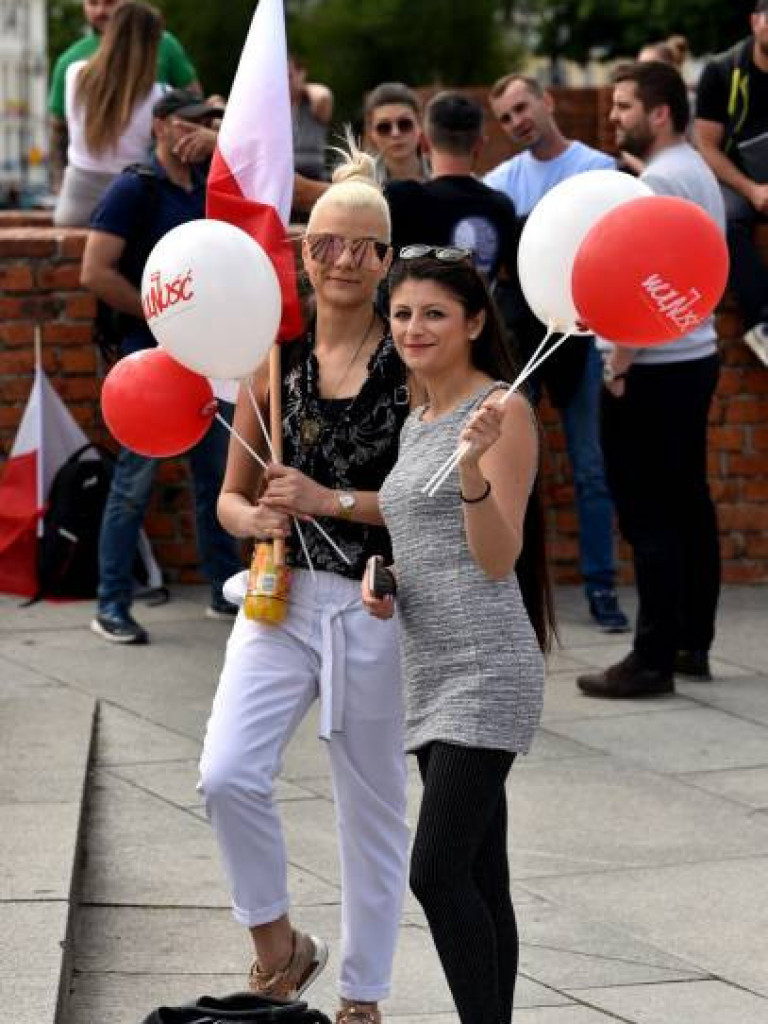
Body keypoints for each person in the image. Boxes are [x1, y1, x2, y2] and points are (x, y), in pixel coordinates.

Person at [197, 145, 411, 1024]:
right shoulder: (271, 354)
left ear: (387, 259)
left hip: (375, 600)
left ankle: (362, 996)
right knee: (225, 773)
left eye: (364, 247)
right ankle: (279, 945)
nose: (345, 261)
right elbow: (229, 498)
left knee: (370, 808)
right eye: (328, 244)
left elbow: (430, 504)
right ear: (302, 251)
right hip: (278, 595)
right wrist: (254, 521)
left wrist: (333, 501)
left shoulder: (413, 354)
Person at [363, 250, 553, 1024]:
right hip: (431, 664)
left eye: (435, 313)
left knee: (436, 873)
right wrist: (389, 574)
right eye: (403, 313)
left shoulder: (499, 411)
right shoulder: (417, 416)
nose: (414, 328)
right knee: (481, 875)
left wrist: (473, 469)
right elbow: (425, 541)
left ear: (474, 322)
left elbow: (497, 556)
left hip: (487, 668)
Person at [577, 61, 724, 699]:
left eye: (625, 106)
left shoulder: (659, 181)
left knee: (649, 515)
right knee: (689, 504)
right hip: (694, 358)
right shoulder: (695, 171)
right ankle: (691, 642)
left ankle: (651, 657)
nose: (615, 117)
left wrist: (620, 360)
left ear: (659, 112)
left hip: (655, 368)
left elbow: (646, 278)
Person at [81, 89, 239, 645]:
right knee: (132, 483)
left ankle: (223, 589)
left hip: (204, 359)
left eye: (209, 124)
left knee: (213, 479)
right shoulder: (135, 187)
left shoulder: (206, 186)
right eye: (192, 123)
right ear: (163, 128)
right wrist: (159, 314)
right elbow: (94, 270)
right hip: (148, 359)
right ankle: (111, 604)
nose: (201, 132)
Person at [484, 74, 630, 633]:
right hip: (521, 338)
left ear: (547, 100)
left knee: (591, 470)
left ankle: (602, 587)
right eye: (505, 116)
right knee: (510, 468)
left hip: (586, 338)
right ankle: (511, 589)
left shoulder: (598, 171)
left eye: (523, 106)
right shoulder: (501, 183)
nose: (517, 120)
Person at [49, 0, 200, 192]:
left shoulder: (72, 66)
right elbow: (58, 129)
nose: (101, 10)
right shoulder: (160, 49)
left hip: (84, 188)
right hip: (141, 186)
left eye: (110, 2)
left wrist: (63, 188)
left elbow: (58, 131)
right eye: (92, 3)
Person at [695, 0, 768, 367]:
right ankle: (763, 324)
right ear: (755, 21)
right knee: (724, 219)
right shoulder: (722, 71)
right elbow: (705, 145)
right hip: (736, 180)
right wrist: (753, 189)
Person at [385, 91, 518, 285]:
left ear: (422, 143)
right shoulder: (501, 207)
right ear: (480, 144)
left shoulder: (400, 198)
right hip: (476, 313)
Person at [53, 1, 166, 227]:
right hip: (131, 200)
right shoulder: (160, 95)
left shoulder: (74, 74)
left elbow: (63, 126)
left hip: (76, 202)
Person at [365, 82, 429, 184]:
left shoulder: (442, 175)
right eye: (384, 127)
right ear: (372, 134)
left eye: (405, 124)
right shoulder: (360, 183)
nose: (396, 133)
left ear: (420, 125)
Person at [289, 53, 333, 182]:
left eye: (289, 76)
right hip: (284, 174)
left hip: (313, 174)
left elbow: (323, 96)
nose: (285, 82)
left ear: (302, 73)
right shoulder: (275, 106)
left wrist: (303, 87)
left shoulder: (312, 101)